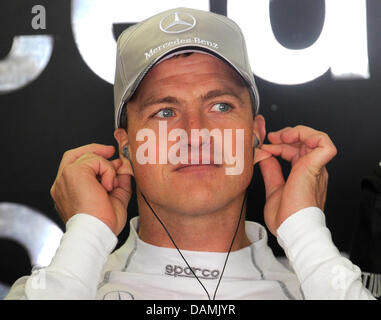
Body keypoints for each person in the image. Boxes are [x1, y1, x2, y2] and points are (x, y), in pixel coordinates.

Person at [6, 7, 375, 300]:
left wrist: (304, 233)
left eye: (220, 106)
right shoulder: (66, 286)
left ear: (255, 136)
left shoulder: (324, 281)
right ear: (127, 146)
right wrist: (86, 234)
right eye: (164, 112)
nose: (195, 133)